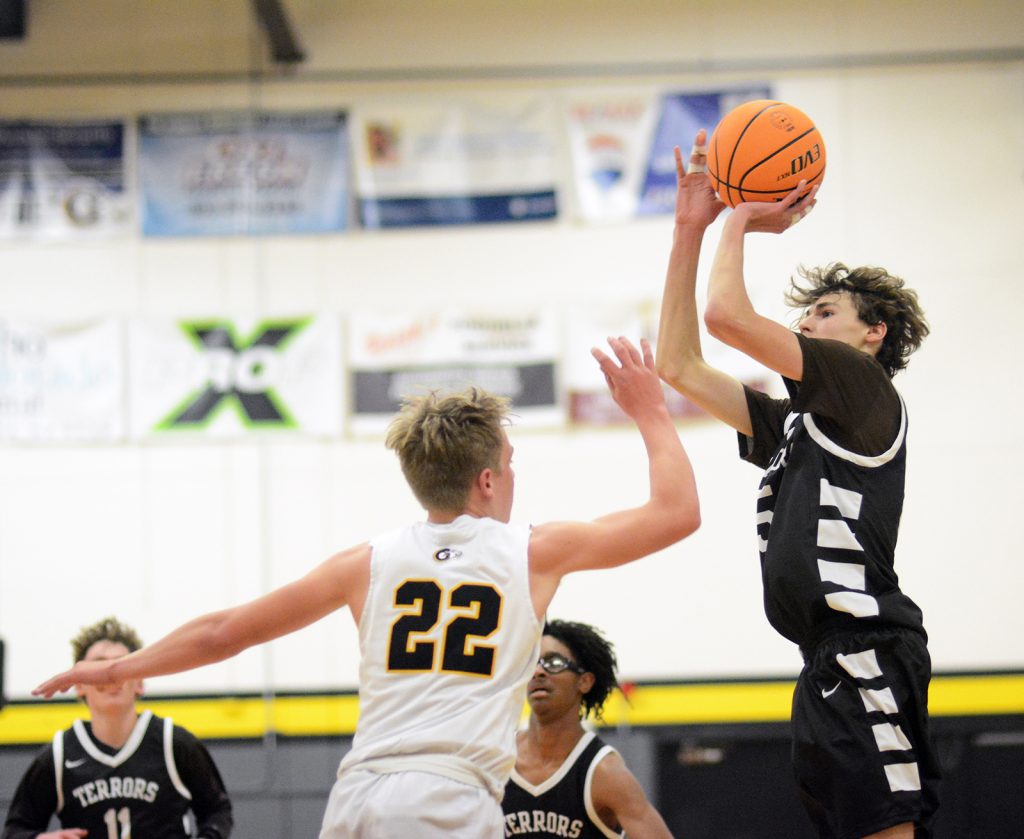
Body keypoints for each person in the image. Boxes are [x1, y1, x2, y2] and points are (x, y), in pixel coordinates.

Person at [34, 337, 700, 839]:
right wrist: (649, 410)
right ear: (489, 480)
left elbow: (222, 634)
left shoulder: (366, 562)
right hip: (449, 800)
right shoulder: (531, 550)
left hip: (356, 801)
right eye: (510, 463)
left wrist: (119, 666)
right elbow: (676, 513)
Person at [654, 130, 940, 839]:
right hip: (823, 659)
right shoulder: (799, 423)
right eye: (806, 314)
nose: (805, 322)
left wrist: (742, 216)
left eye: (824, 313)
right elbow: (680, 364)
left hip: (866, 644)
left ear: (873, 333)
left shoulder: (859, 384)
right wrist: (692, 228)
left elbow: (725, 316)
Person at [3, 616, 233, 839]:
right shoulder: (59, 754)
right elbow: (16, 829)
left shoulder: (173, 743)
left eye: (120, 665)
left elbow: (217, 811)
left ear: (140, 682)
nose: (110, 675)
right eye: (100, 664)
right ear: (80, 684)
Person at [503, 619, 673, 839]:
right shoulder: (499, 758)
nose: (538, 672)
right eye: (533, 663)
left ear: (584, 682)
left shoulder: (604, 773)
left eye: (553, 663)